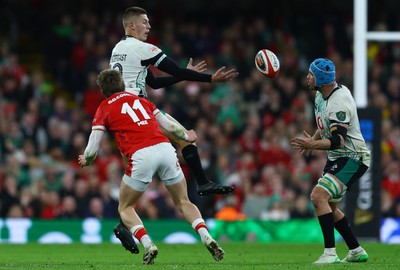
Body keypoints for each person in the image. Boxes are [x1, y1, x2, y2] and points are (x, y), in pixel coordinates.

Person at [78, 69, 224, 264]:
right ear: (121, 84)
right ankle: (206, 236)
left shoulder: (104, 108)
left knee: (126, 207)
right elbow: (170, 126)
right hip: (164, 148)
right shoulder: (141, 101)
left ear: (103, 91)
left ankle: (148, 244)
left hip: (141, 155)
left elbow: (92, 147)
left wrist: (86, 160)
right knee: (183, 201)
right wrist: (187, 135)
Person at [109, 6, 238, 197]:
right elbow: (176, 70)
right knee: (187, 138)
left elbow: (154, 83)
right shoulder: (142, 48)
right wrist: (211, 79)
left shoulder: (118, 49)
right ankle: (202, 183)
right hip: (139, 112)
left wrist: (185, 75)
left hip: (123, 115)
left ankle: (124, 219)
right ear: (132, 25)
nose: (149, 26)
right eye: (145, 22)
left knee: (135, 169)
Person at [291, 58, 370, 264]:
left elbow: (337, 140)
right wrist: (314, 139)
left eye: (311, 74)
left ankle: (330, 253)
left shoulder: (339, 100)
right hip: (339, 157)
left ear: (322, 79)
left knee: (318, 197)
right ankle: (356, 250)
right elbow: (326, 123)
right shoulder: (321, 94)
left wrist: (312, 146)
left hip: (352, 156)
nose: (307, 77)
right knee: (331, 209)